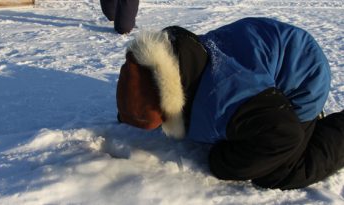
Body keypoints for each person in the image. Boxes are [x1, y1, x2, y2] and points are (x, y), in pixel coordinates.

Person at [116, 17, 344, 190]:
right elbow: (141, 93)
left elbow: (284, 135)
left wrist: (223, 163)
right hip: (262, 47)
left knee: (280, 170)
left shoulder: (223, 101)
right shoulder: (176, 60)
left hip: (303, 73)